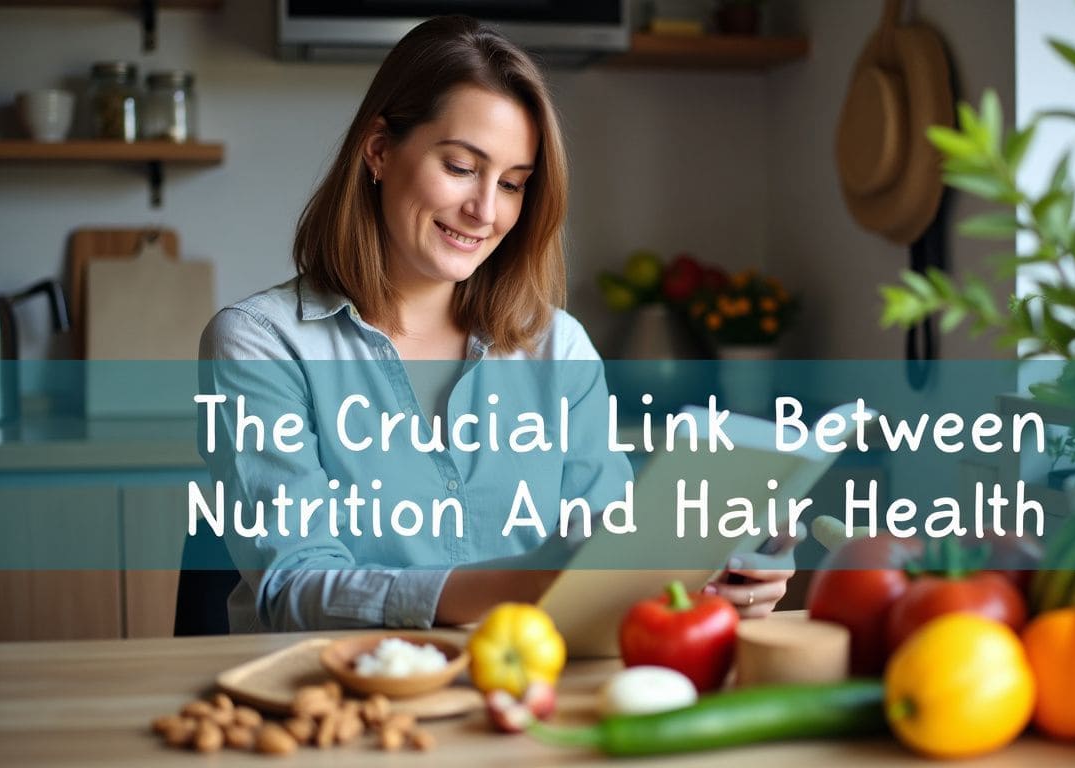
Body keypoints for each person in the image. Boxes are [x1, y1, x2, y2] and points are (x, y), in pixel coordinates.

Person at [198, 15, 795, 633]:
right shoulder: (261, 341)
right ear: (378, 150)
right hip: (333, 704)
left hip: (522, 698)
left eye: (512, 184)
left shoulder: (557, 345)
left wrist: (707, 579)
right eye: (460, 167)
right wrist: (521, 588)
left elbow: (612, 550)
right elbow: (294, 587)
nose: (485, 210)